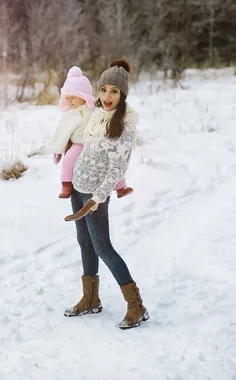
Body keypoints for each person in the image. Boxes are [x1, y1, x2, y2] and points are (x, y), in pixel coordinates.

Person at [64, 59, 149, 330]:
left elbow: (116, 170)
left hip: (94, 196)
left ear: (122, 93)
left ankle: (136, 305)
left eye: (114, 91)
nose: (107, 96)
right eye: (103, 90)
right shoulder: (97, 114)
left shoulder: (124, 124)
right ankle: (90, 299)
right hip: (78, 188)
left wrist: (96, 198)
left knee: (103, 247)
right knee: (85, 243)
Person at [52, 66, 133, 199]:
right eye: (68, 98)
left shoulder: (95, 109)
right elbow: (62, 132)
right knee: (69, 159)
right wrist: (58, 150)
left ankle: (120, 187)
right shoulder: (70, 115)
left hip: (94, 142)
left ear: (83, 96)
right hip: (78, 144)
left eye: (72, 97)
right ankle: (66, 184)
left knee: (108, 161)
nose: (70, 101)